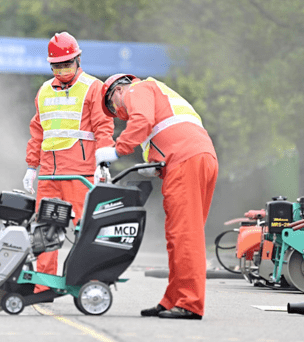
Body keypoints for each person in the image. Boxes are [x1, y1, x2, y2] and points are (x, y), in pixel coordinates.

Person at [95, 74, 218, 320]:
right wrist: (154, 166)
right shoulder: (160, 95)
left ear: (116, 90)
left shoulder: (136, 89)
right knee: (179, 235)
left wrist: (117, 150)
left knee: (184, 235)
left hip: (186, 162)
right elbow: (167, 131)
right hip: (195, 159)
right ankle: (173, 299)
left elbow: (141, 121)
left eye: (112, 105)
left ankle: (190, 303)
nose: (117, 112)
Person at [23, 32, 115, 293]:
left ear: (78, 59)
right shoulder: (43, 91)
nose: (63, 70)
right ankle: (43, 287)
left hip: (80, 173)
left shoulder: (93, 87)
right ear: (50, 65)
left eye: (67, 64)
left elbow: (103, 126)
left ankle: (90, 284)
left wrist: (103, 162)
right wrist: (32, 167)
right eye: (57, 65)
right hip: (50, 176)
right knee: (45, 232)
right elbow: (38, 132)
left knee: (86, 230)